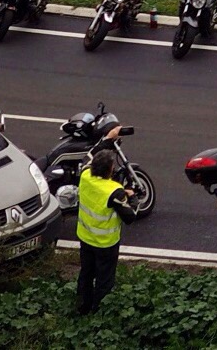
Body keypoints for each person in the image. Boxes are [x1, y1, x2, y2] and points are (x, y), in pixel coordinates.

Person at [75, 134, 137, 315]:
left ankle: (82, 307)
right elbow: (130, 216)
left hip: (85, 239)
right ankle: (100, 313)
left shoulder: (85, 176)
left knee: (86, 274)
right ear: (110, 170)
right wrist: (132, 197)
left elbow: (87, 157)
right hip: (105, 244)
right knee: (104, 280)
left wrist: (106, 140)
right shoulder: (114, 191)